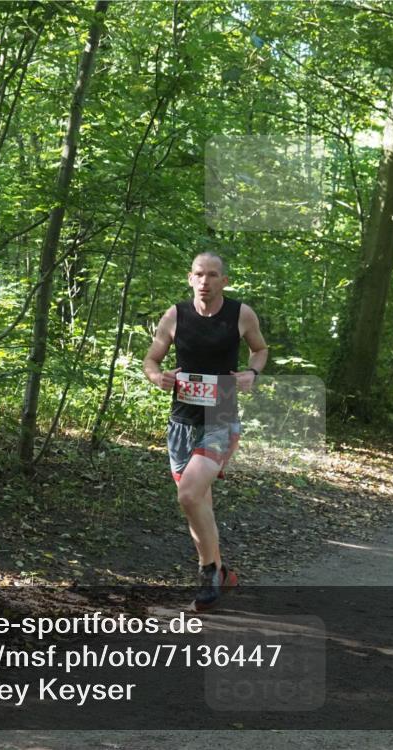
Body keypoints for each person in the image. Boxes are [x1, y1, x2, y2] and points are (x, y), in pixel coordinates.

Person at [143, 252, 268, 612]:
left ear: (224, 281)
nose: (205, 281)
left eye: (213, 275)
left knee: (188, 495)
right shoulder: (175, 315)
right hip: (181, 423)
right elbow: (151, 360)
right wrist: (158, 377)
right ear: (190, 278)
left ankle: (207, 572)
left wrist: (252, 374)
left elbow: (259, 350)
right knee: (198, 504)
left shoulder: (240, 314)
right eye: (199, 274)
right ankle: (223, 574)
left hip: (221, 419)